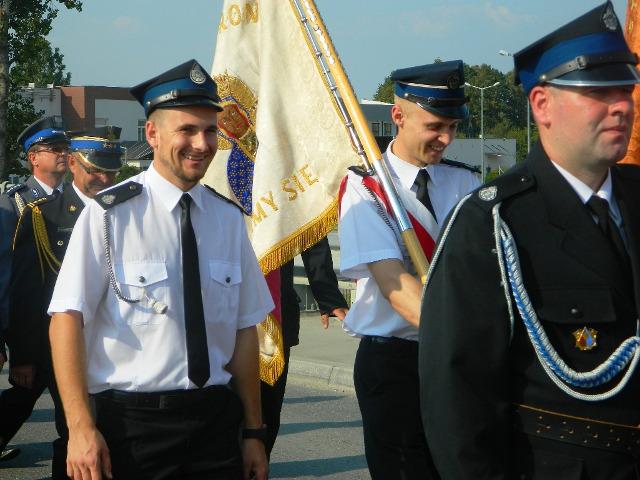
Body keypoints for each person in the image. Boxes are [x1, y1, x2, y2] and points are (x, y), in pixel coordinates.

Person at [419, 2, 640, 478]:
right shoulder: (493, 222)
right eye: (598, 92)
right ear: (542, 105)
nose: (622, 106)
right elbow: (459, 400)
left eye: (625, 90)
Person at [48, 59, 273, 480]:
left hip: (215, 427)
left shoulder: (228, 220)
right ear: (152, 134)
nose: (202, 144)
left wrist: (253, 432)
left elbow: (245, 330)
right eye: (187, 130)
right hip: (132, 428)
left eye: (210, 130)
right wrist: (80, 428)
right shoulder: (108, 215)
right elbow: (66, 320)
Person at [338, 60, 480, 479]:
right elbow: (395, 285)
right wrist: (462, 337)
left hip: (458, 360)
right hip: (397, 364)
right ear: (398, 116)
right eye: (435, 126)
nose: (446, 138)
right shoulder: (366, 187)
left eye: (453, 126)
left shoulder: (467, 184)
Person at [2, 128, 123, 476]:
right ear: (74, 164)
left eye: (111, 171)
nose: (104, 179)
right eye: (95, 170)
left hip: (114, 344)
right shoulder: (43, 214)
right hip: (58, 343)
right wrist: (24, 356)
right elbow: (27, 293)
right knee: (73, 432)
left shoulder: (124, 210)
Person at [0, 116, 69, 462]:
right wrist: (20, 352)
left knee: (33, 402)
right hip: (33, 328)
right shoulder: (14, 205)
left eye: (65, 148)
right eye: (54, 148)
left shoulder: (76, 201)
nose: (63, 154)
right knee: (26, 398)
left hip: (67, 324)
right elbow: (12, 283)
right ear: (33, 158)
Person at [262, 236, 349, 457]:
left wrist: (329, 297)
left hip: (274, 315)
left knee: (267, 413)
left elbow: (309, 231)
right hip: (218, 316)